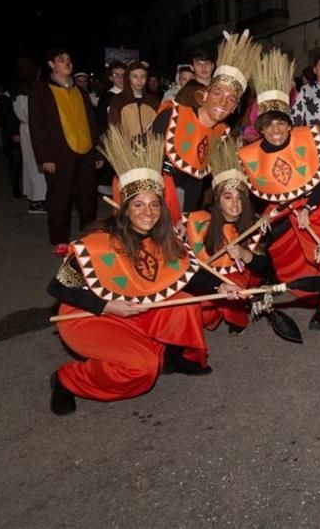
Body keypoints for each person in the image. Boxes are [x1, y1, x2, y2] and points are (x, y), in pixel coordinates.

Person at [47, 127, 249, 416]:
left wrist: (221, 287)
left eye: (154, 204)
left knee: (183, 306)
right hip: (90, 316)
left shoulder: (162, 238)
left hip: (133, 304)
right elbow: (58, 288)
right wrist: (106, 306)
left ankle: (172, 357)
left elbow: (186, 273)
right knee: (142, 369)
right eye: (139, 204)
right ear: (125, 208)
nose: (148, 211)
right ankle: (68, 380)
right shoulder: (100, 243)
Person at [238, 48, 320, 331]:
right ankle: (260, 289)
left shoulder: (306, 138)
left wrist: (309, 209)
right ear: (261, 129)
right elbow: (267, 189)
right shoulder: (252, 153)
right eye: (269, 125)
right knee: (272, 242)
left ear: (290, 124)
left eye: (281, 123)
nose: (276, 130)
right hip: (291, 203)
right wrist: (268, 212)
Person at [150, 31, 260, 221]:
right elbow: (143, 157)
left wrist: (187, 219)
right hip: (151, 200)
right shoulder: (172, 116)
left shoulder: (219, 135)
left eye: (231, 99)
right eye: (217, 94)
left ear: (234, 108)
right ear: (204, 95)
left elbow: (196, 180)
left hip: (181, 204)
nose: (223, 103)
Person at [184, 137, 274, 334]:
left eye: (239, 198)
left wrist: (243, 254)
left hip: (238, 275)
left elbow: (266, 266)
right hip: (209, 276)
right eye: (227, 197)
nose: (234, 204)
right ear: (218, 200)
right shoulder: (199, 220)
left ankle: (237, 317)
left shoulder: (254, 225)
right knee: (199, 313)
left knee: (233, 293)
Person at [28, 48, 101, 256]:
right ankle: (60, 239)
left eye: (69, 59)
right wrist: (45, 157)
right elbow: (37, 126)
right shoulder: (41, 91)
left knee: (88, 196)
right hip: (59, 154)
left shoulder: (80, 91)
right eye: (62, 60)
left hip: (85, 151)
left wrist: (97, 153)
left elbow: (91, 122)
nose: (67, 63)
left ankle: (89, 235)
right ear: (51, 64)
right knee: (60, 197)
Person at [13, 73, 48, 212]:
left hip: (26, 131)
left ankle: (36, 197)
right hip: (31, 131)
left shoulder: (17, 98)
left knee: (30, 166)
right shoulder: (26, 99)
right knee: (35, 167)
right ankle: (38, 200)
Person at [108, 60, 160, 140]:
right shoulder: (118, 100)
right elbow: (114, 129)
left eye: (143, 76)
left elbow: (159, 128)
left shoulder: (153, 101)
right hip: (127, 149)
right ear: (128, 78)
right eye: (135, 76)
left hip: (150, 149)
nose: (139, 80)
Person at [167, 47, 215, 111]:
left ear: (213, 66)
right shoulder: (186, 93)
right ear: (192, 67)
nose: (203, 67)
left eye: (207, 63)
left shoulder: (219, 87)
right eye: (198, 64)